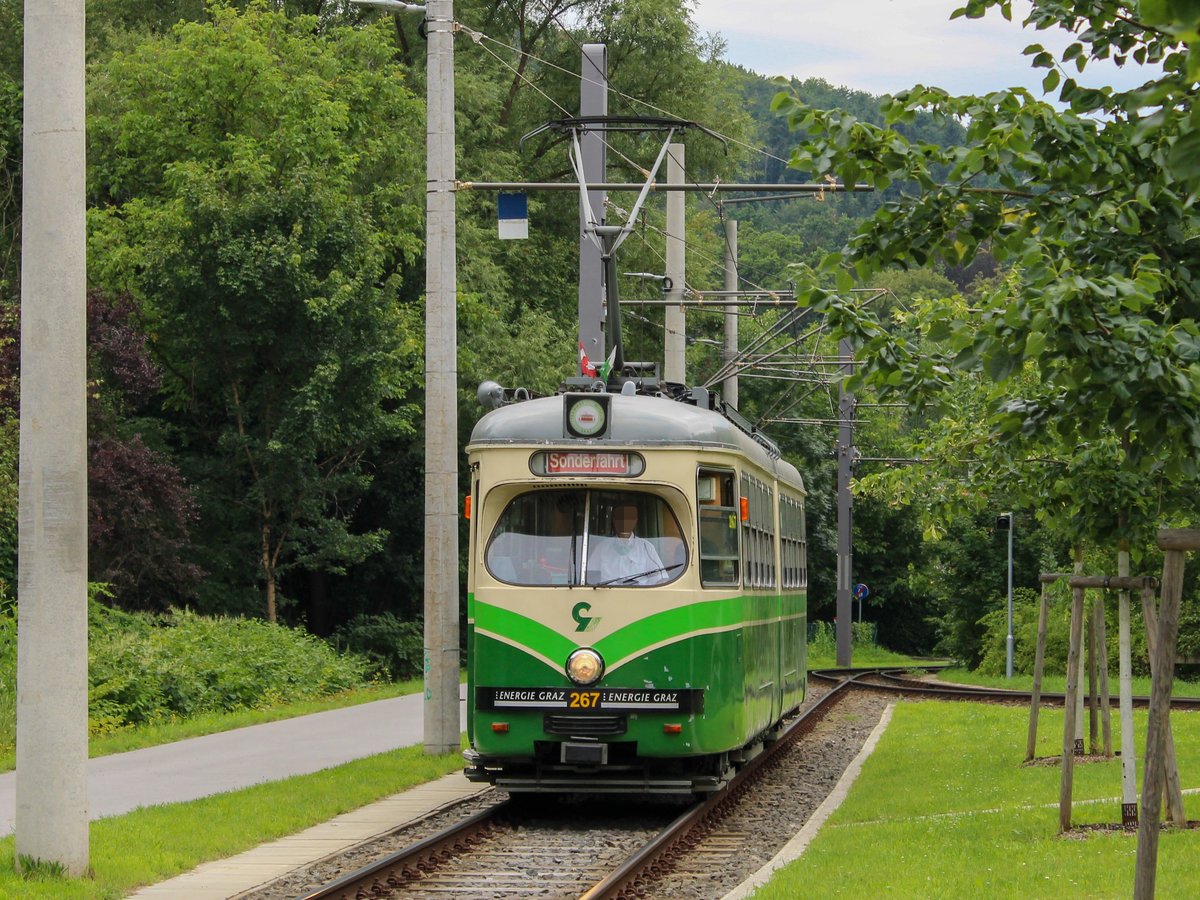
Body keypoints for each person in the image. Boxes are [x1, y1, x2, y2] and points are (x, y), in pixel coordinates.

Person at [590, 503, 667, 585]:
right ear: (614, 520)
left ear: (635, 521)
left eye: (628, 519)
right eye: (620, 518)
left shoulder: (646, 547)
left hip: (638, 596)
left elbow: (660, 579)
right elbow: (590, 577)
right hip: (607, 595)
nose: (624, 522)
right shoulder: (602, 547)